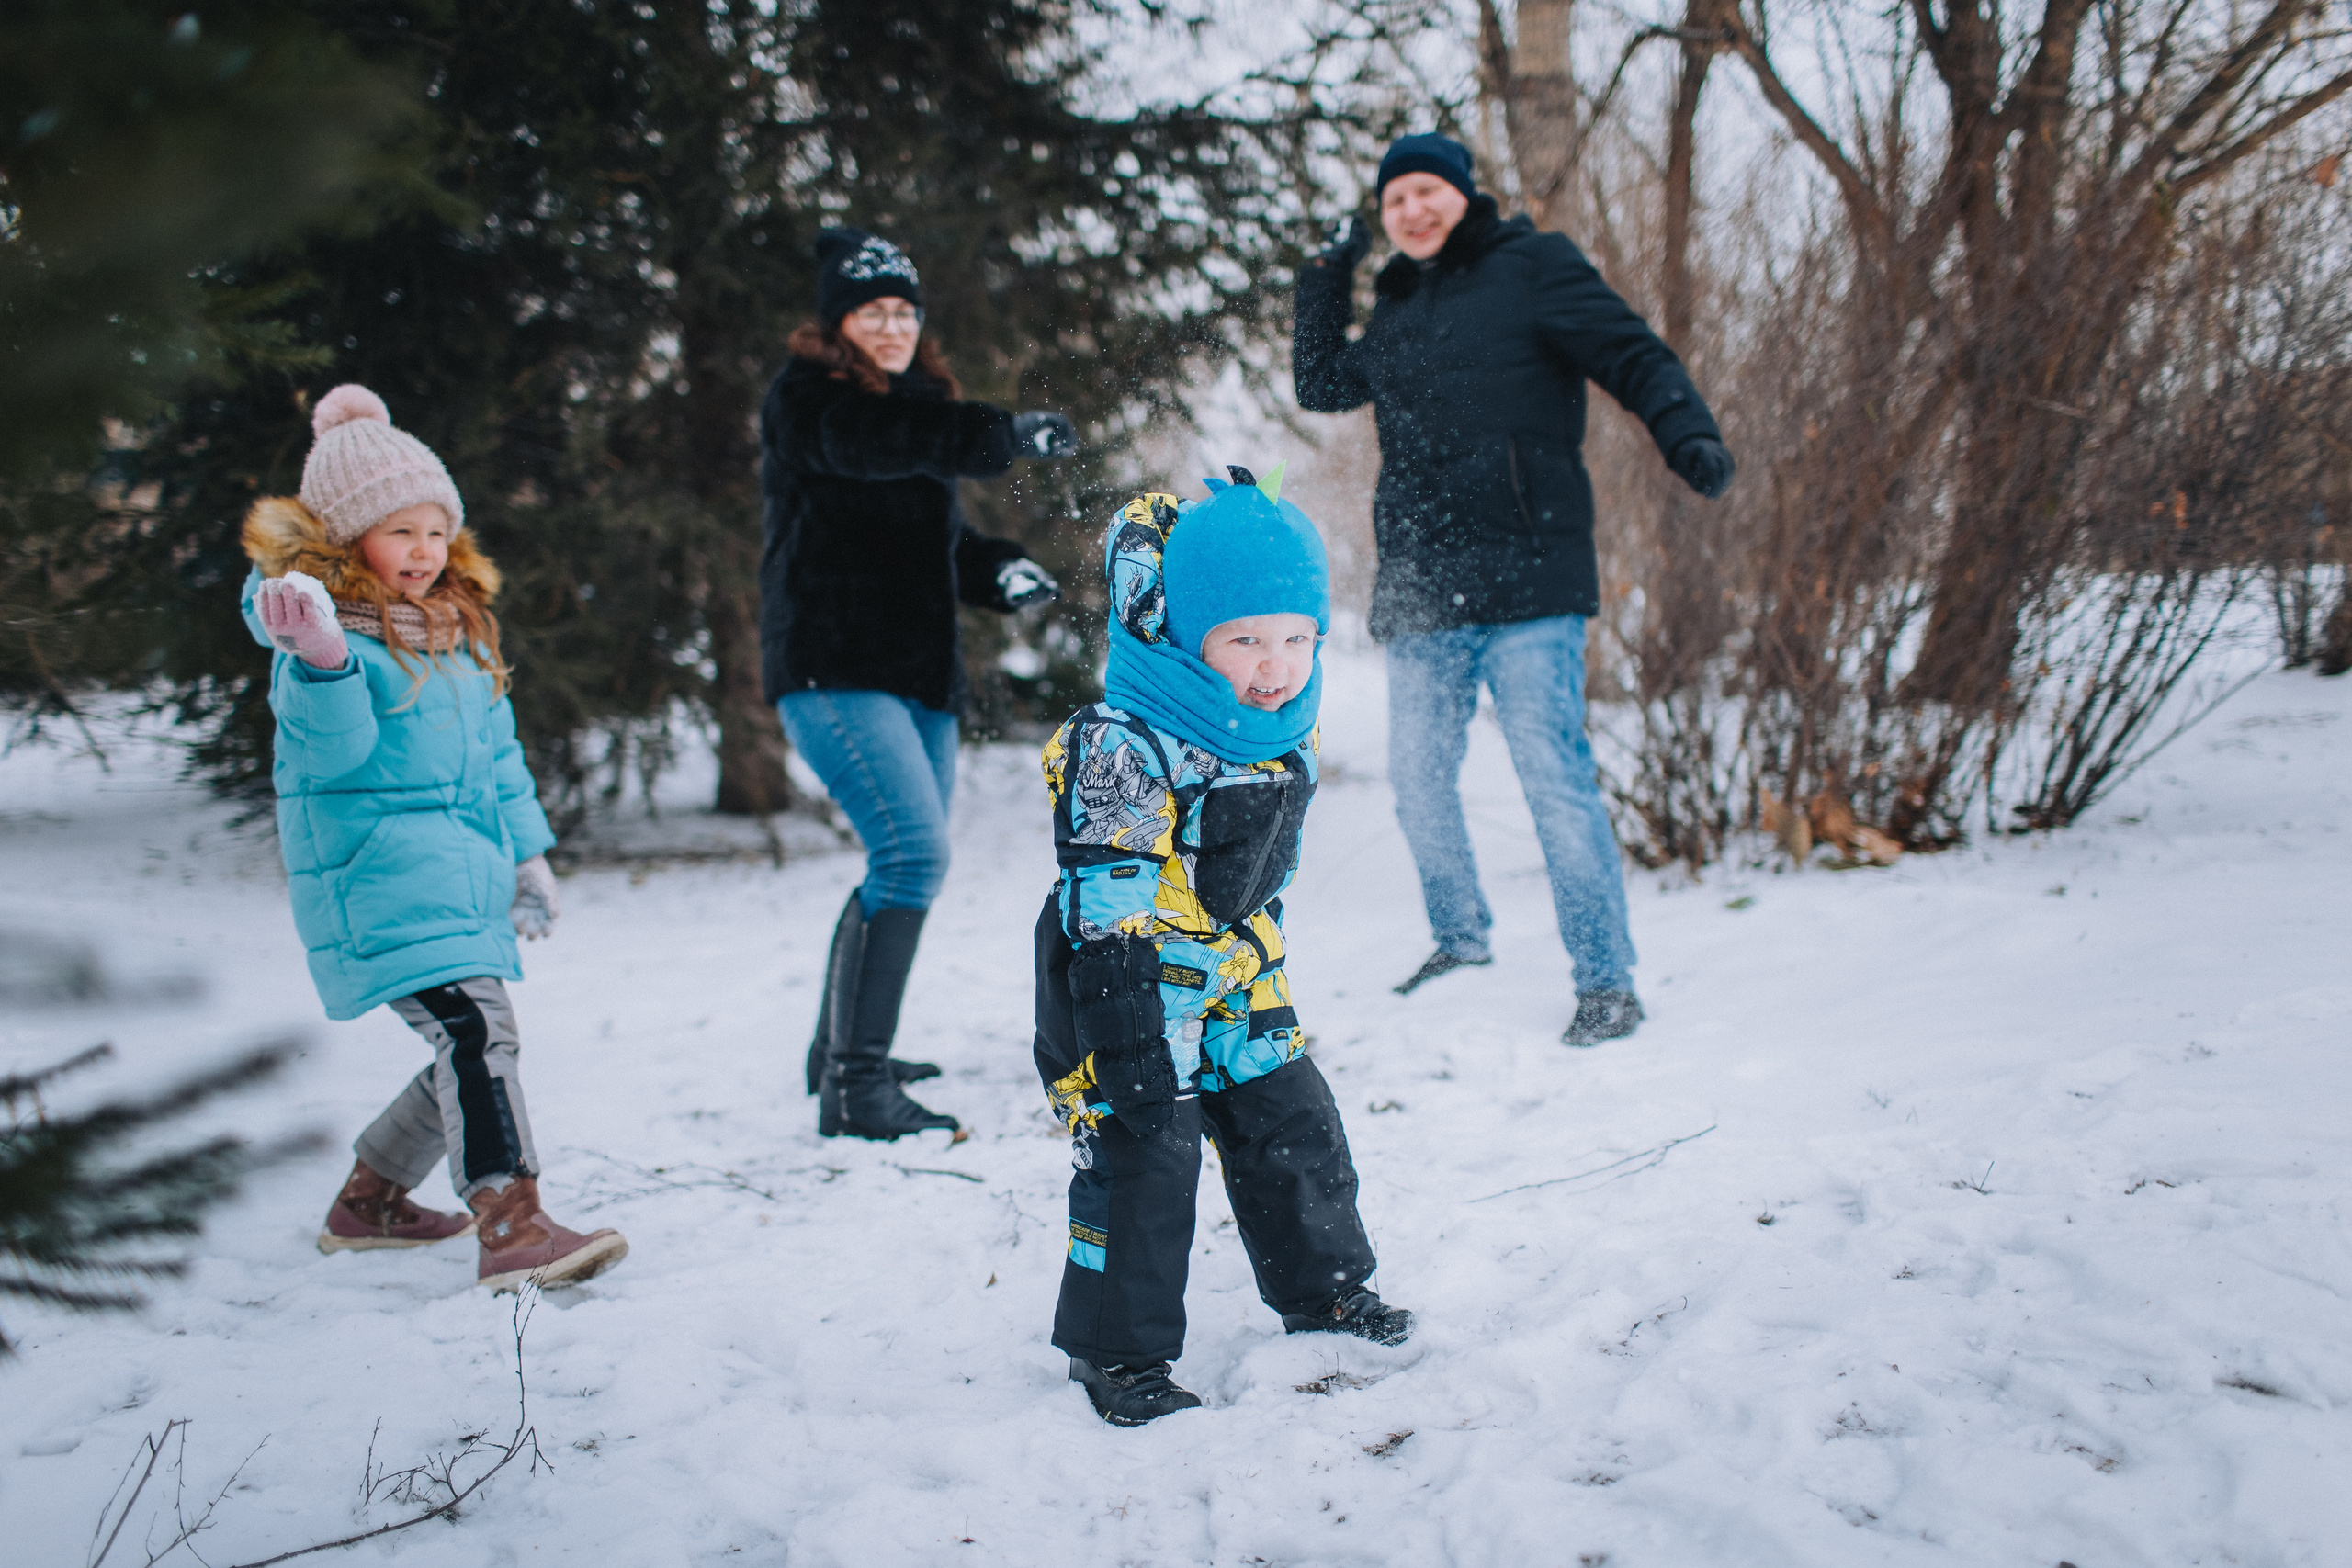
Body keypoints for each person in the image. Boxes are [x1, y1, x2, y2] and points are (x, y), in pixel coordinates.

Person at [1293, 132, 1736, 1047]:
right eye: (1393, 201)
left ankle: (1606, 981)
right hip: (1422, 581)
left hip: (1530, 574)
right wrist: (1326, 271)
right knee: (1416, 784)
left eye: (1426, 191)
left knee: (1553, 781)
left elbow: (1631, 354)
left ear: (1463, 194)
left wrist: (1684, 434)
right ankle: (1459, 941)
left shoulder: (1532, 266)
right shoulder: (1396, 305)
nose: (1411, 210)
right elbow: (1321, 383)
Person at [1034, 467, 1412, 1427]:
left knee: (1292, 1121)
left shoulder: (1277, 722)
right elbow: (1105, 897)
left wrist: (1256, 966)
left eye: (1297, 637)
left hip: (1238, 969)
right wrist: (1119, 1034)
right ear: (1189, 634)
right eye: (1244, 639)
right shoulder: (1126, 737)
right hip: (1123, 974)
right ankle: (1115, 1355)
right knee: (1145, 1154)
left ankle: (1323, 1289)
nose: (1274, 663)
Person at [241, 384, 626, 1293]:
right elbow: (332, 756)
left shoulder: (456, 639)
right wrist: (325, 662)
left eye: (434, 530)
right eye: (397, 532)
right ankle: (511, 1220)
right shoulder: (324, 645)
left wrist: (528, 854)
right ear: (345, 541)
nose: (422, 551)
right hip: (375, 879)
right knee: (474, 1038)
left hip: (461, 880)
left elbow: (499, 759)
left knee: (471, 1045)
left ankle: (369, 1201)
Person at [760, 227, 1078, 1142]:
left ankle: (837, 1054)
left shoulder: (917, 412)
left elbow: (936, 540)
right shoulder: (810, 403)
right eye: (872, 312)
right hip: (835, 664)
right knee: (910, 856)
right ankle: (856, 1089)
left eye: (904, 311)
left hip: (916, 675)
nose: (892, 327)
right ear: (838, 322)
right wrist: (1001, 434)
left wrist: (999, 570)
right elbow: (871, 445)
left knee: (899, 862)